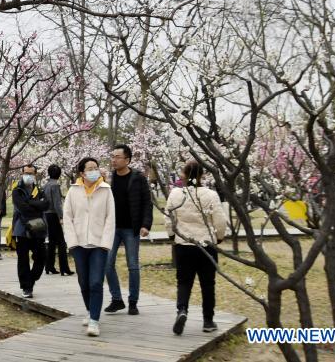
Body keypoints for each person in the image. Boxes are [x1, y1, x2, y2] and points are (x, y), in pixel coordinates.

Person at [165, 159, 227, 335]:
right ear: (202, 175)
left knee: (184, 282)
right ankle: (208, 320)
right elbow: (220, 220)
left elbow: (168, 218)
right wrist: (219, 237)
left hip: (184, 244)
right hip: (206, 245)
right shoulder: (210, 195)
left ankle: (182, 310)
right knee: (208, 284)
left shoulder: (176, 194)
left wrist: (172, 235)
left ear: (184, 174)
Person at [62, 157, 115, 337]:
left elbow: (110, 218)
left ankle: (94, 320)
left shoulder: (106, 190)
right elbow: (67, 217)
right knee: (83, 281)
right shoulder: (73, 191)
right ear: (82, 173)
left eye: (96, 167)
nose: (94, 171)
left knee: (95, 282)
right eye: (90, 168)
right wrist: (72, 242)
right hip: (79, 244)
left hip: (99, 244)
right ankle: (91, 310)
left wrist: (106, 243)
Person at [104, 144, 153, 315]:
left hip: (131, 229)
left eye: (117, 157)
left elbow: (147, 202)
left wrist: (146, 224)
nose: (114, 160)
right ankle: (116, 299)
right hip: (113, 228)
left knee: (133, 265)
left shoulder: (138, 178)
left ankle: (133, 302)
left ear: (127, 160)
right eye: (113, 156)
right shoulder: (110, 178)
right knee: (107, 264)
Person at [12, 164, 49, 299]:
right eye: (26, 173)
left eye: (31, 173)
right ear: (22, 173)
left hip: (38, 227)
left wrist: (30, 203)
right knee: (23, 259)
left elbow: (46, 205)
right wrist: (36, 204)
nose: (28, 175)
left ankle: (31, 279)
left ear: (35, 175)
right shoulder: (17, 190)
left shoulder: (39, 189)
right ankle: (26, 287)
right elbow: (22, 208)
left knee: (41, 257)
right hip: (21, 229)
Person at [43, 164, 73, 275]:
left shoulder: (46, 185)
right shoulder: (55, 185)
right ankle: (64, 268)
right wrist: (61, 216)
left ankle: (49, 266)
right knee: (61, 242)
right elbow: (57, 203)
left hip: (46, 215)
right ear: (59, 174)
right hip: (53, 215)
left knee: (52, 242)